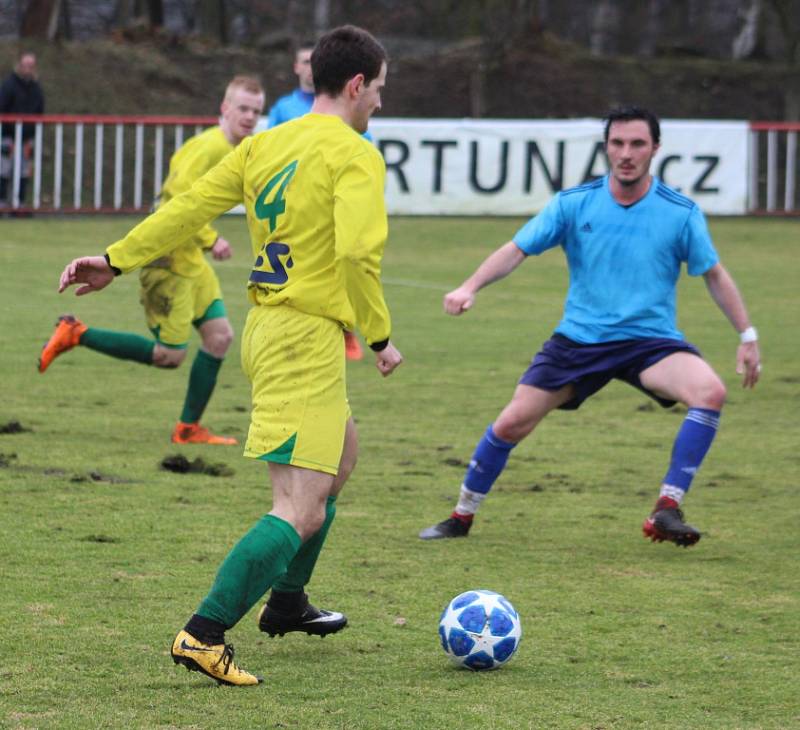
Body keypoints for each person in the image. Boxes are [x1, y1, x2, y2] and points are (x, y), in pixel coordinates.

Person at [58, 25, 402, 686]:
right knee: (299, 507)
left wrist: (115, 258)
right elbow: (360, 254)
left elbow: (186, 209)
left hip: (274, 328)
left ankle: (289, 601)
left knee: (343, 457)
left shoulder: (265, 144)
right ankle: (204, 633)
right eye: (379, 91)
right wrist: (381, 338)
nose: (379, 105)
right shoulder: (356, 153)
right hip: (302, 337)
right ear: (356, 85)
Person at [419, 106, 761, 548]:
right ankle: (460, 516)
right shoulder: (573, 203)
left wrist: (746, 335)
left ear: (655, 149)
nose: (626, 153)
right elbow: (517, 249)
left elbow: (713, 274)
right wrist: (470, 286)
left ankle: (667, 508)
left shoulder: (680, 212)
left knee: (710, 391)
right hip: (579, 342)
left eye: (637, 144)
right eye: (617, 143)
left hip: (649, 342)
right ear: (606, 148)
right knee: (510, 424)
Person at [38, 76, 265, 445]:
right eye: (243, 108)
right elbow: (176, 203)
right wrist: (212, 238)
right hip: (169, 263)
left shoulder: (237, 148)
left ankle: (188, 428)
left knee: (220, 337)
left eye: (256, 110)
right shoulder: (206, 148)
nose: (250, 116)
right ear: (224, 108)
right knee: (170, 355)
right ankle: (76, 333)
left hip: (192, 260)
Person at [267, 40, 371, 361]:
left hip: (334, 197)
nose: (309, 68)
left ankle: (346, 330)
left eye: (314, 61)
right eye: (304, 61)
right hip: (298, 201)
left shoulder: (343, 108)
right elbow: (273, 150)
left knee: (345, 258)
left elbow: (362, 144)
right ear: (297, 68)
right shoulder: (284, 108)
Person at [0, 51, 45, 207]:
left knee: (24, 171)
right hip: (7, 136)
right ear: (19, 65)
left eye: (31, 66)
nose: (27, 69)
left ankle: (19, 203)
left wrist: (29, 137)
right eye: (25, 65)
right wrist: (9, 135)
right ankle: (2, 202)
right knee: (4, 169)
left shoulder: (36, 88)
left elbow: (39, 112)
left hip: (27, 138)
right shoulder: (8, 85)